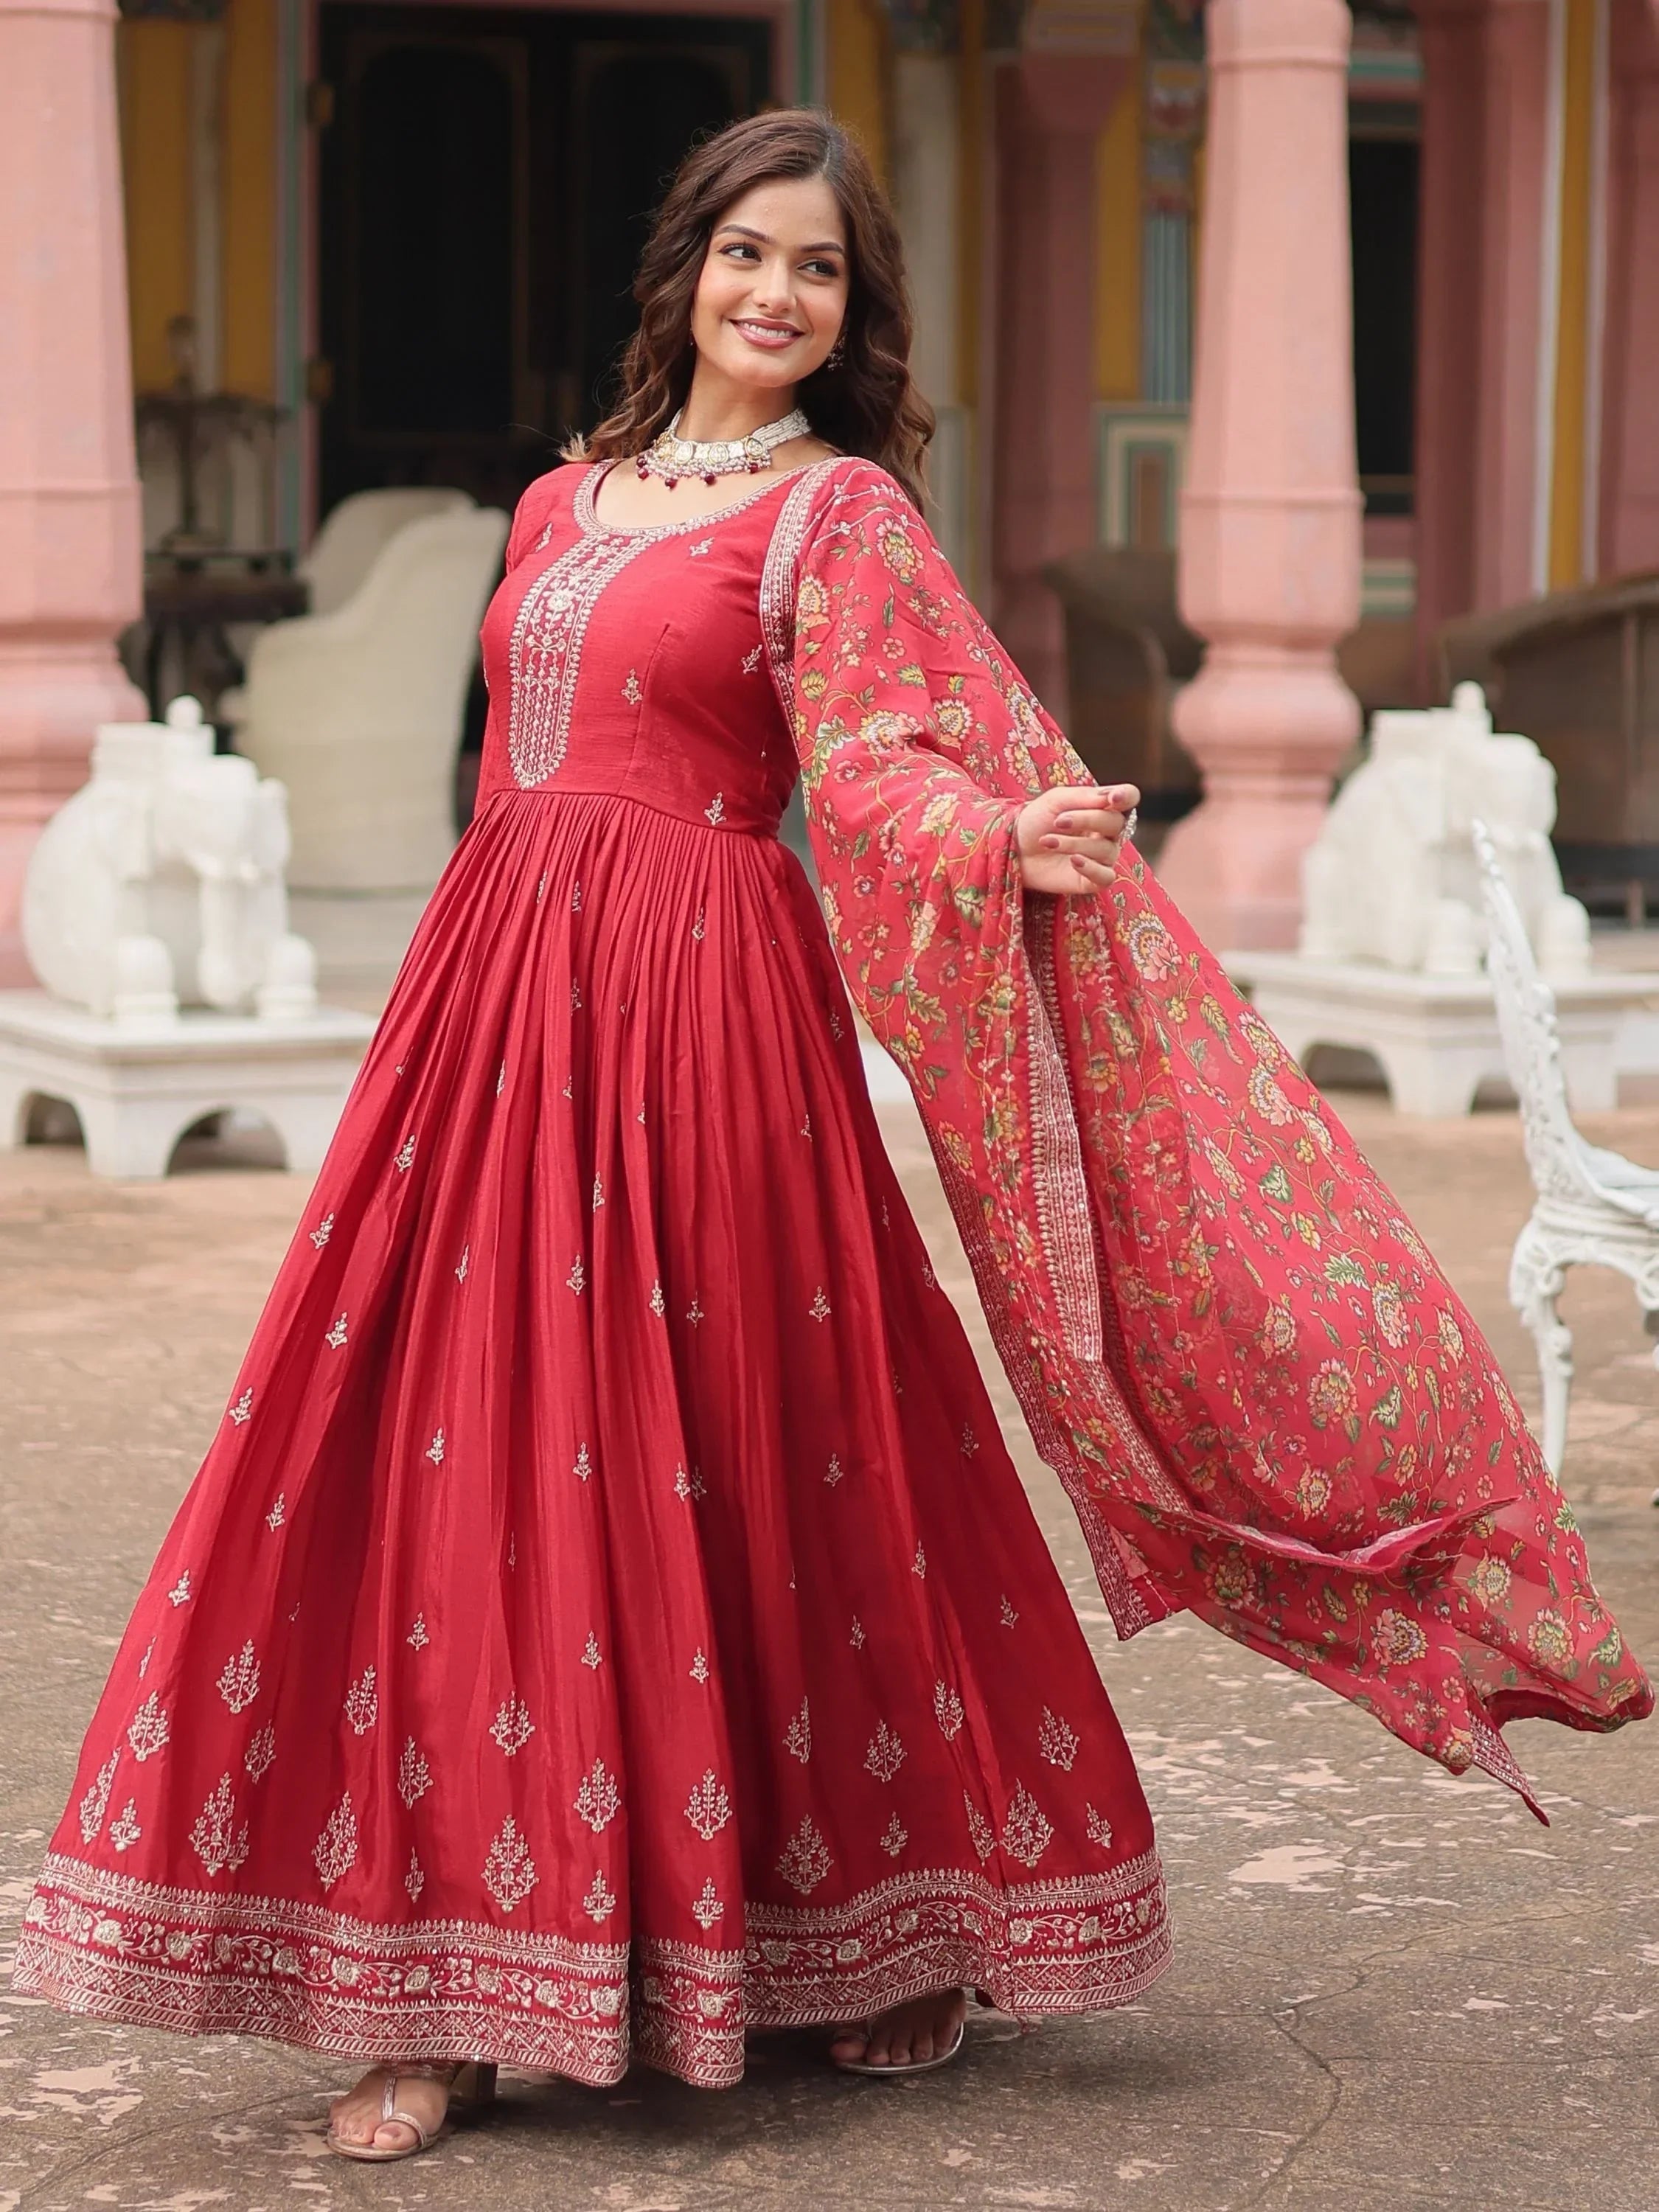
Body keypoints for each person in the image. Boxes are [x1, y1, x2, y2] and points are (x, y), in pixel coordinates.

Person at [12, 108, 1647, 2164]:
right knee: (447, 1449)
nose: (774, 294)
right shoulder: (555, 502)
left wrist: (995, 830)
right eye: (745, 254)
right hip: (493, 1001)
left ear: (851, 314)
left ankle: (885, 1934)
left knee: (764, 1436)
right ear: (682, 266)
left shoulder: (838, 516)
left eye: (820, 272)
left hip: (705, 1004)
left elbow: (868, 767)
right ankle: (423, 1977)